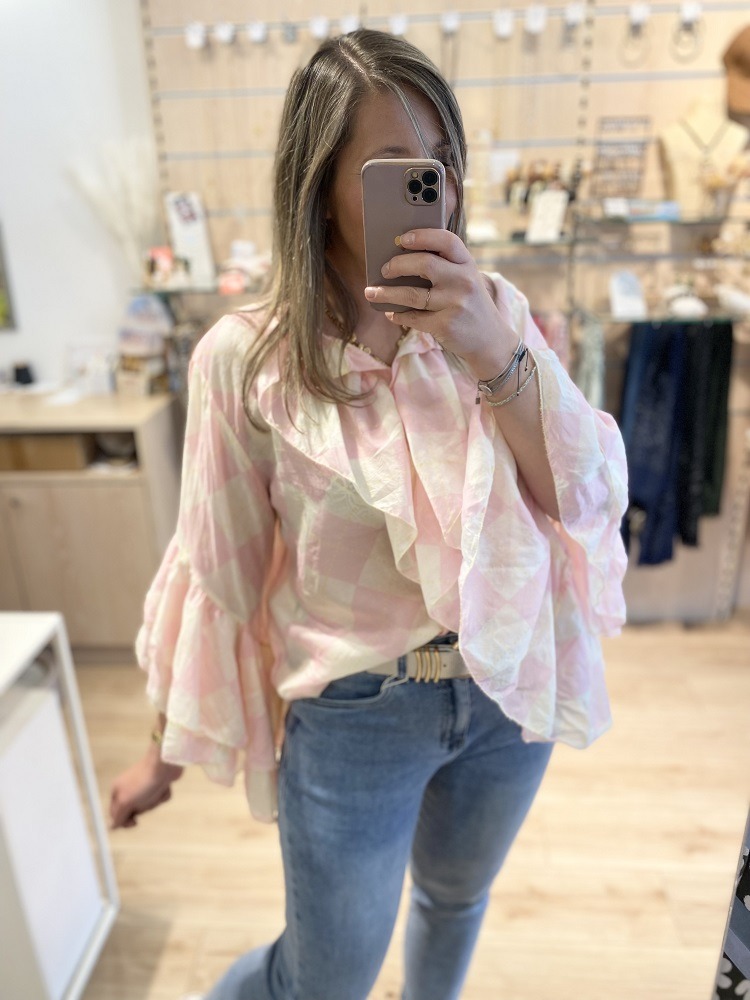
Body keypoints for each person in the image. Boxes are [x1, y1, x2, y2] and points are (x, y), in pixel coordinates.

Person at [110, 28, 628, 1000]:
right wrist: (159, 755)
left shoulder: (496, 313)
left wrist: (492, 351)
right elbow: (217, 571)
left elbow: (582, 497)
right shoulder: (246, 360)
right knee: (322, 979)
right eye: (398, 170)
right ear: (319, 185)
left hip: (503, 686)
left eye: (442, 163)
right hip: (355, 714)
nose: (433, 190)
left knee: (454, 901)